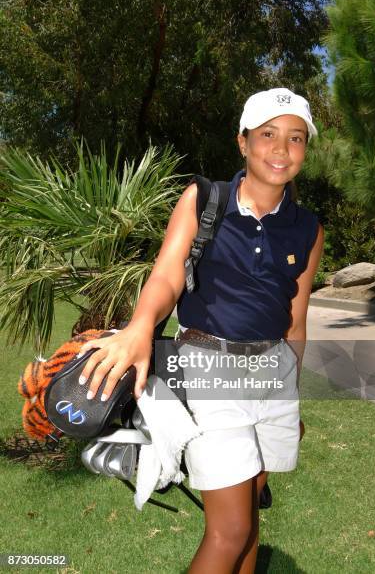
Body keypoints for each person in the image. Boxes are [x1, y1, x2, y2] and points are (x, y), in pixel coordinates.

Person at [77, 88, 324, 573]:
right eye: (268, 135)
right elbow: (168, 274)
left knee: (251, 519)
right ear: (243, 142)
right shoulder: (205, 199)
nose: (281, 149)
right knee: (228, 531)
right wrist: (140, 326)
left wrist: (290, 394)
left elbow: (296, 319)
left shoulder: (308, 228)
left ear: (305, 151)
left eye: (295, 139)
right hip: (210, 366)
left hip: (273, 371)